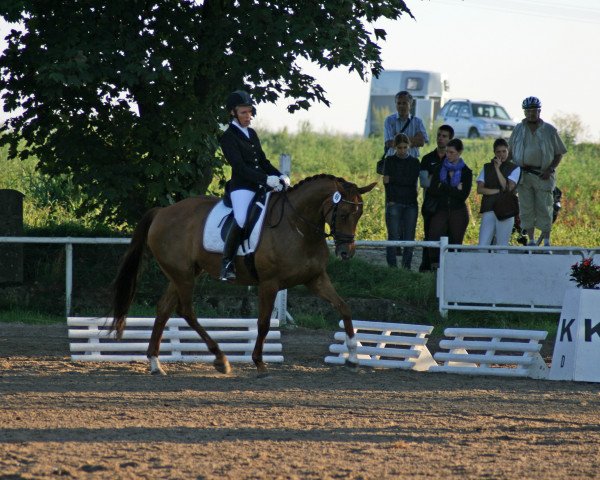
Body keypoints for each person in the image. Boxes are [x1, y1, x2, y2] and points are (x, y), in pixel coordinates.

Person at [219, 90, 290, 281]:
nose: (248, 116)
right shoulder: (228, 137)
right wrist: (265, 179)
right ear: (233, 113)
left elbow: (263, 161)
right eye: (243, 112)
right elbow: (240, 167)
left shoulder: (251, 133)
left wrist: (279, 175)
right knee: (241, 218)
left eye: (250, 112)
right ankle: (227, 263)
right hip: (242, 187)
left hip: (260, 184)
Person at [508, 96, 567, 246]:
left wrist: (550, 168)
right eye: (528, 111)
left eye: (534, 110)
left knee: (545, 207)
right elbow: (510, 151)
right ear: (524, 112)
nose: (531, 113)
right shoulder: (518, 129)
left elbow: (559, 153)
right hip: (523, 174)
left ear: (539, 111)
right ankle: (531, 240)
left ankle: (546, 241)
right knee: (526, 208)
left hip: (543, 174)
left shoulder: (549, 130)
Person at [426, 138, 472, 267]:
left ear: (459, 152)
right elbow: (433, 190)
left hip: (458, 210)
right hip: (441, 208)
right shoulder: (439, 168)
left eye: (452, 152)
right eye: (447, 152)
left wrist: (444, 187)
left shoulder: (466, 172)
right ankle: (435, 267)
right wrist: (453, 189)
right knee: (434, 237)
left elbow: (463, 195)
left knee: (456, 242)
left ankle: (454, 268)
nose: (448, 155)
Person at [418, 124, 455, 271]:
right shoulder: (427, 159)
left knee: (446, 237)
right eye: (439, 135)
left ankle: (445, 269)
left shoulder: (454, 160)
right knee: (429, 237)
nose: (440, 138)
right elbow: (424, 182)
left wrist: (434, 177)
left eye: (444, 136)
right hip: (430, 205)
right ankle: (426, 267)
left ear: (450, 139)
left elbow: (455, 183)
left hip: (448, 206)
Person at [381, 133, 421, 269]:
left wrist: (393, 179)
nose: (402, 150)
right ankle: (392, 268)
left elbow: (410, 181)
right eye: (400, 148)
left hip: (410, 203)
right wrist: (395, 183)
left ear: (409, 147)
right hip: (394, 202)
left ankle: (406, 267)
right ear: (395, 147)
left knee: (409, 238)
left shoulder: (415, 162)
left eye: (405, 147)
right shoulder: (389, 160)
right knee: (393, 237)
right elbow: (385, 183)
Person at [476, 138, 521, 246]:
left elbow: (507, 188)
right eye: (498, 152)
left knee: (502, 245)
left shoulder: (515, 168)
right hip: (489, 208)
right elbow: (480, 189)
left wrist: (497, 169)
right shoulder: (486, 167)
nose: (501, 154)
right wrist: (497, 191)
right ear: (494, 152)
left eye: (504, 151)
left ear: (508, 151)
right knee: (482, 245)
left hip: (506, 209)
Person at [383, 91, 429, 159]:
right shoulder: (389, 120)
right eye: (399, 103)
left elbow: (422, 142)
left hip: (412, 163)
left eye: (404, 103)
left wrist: (397, 138)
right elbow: (389, 143)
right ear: (396, 104)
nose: (401, 106)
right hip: (393, 163)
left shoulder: (418, 122)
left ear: (411, 104)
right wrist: (413, 139)